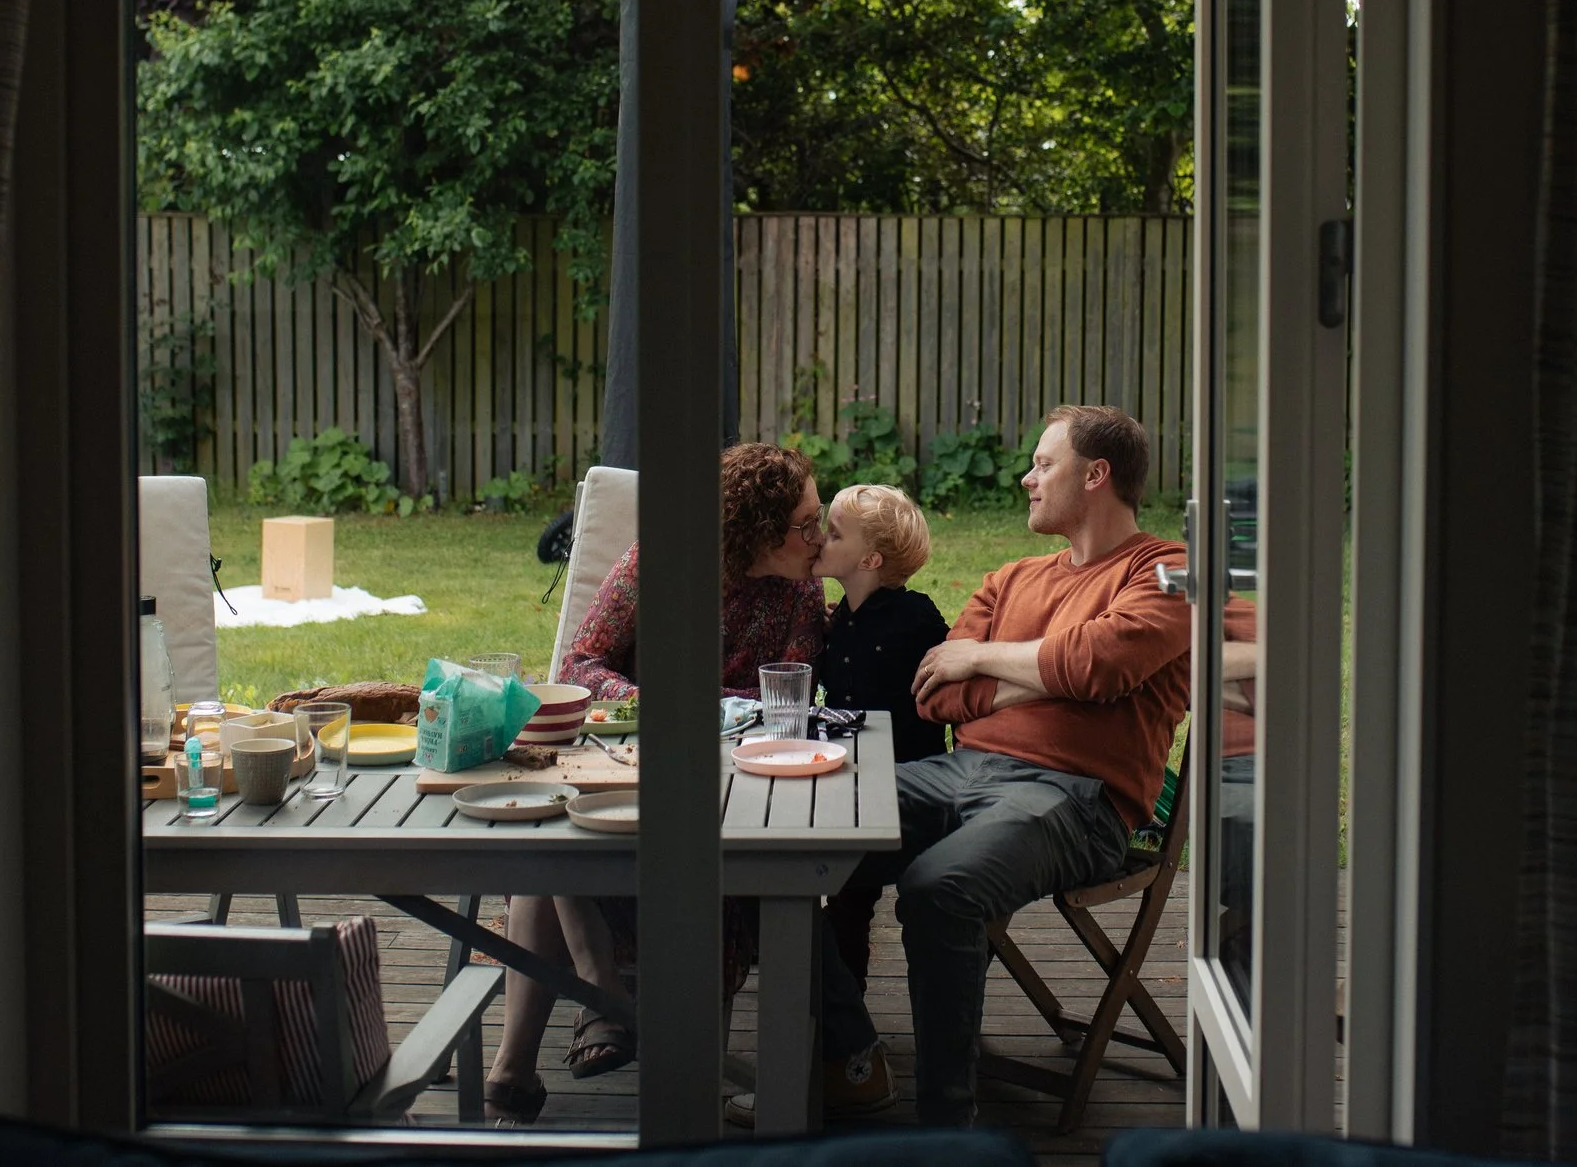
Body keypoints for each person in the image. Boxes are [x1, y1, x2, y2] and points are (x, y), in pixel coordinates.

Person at [484, 444, 896, 1123]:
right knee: (552, 831)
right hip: (625, 764)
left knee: (554, 846)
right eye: (804, 523)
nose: (817, 537)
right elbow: (581, 662)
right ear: (757, 529)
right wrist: (655, 706)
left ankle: (593, 1010)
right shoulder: (661, 561)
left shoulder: (799, 590)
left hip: (729, 786)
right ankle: (527, 1057)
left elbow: (782, 699)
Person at [833, 404, 1189, 1127]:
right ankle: (849, 1048)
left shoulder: (1172, 571)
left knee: (939, 889)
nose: (1027, 477)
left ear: (1096, 475)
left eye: (1043, 463)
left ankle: (946, 1127)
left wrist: (986, 657)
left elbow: (1101, 663)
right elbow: (939, 692)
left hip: (1080, 800)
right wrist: (1042, 674)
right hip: (964, 773)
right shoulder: (1010, 576)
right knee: (781, 837)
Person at [812, 482, 949, 985]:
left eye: (833, 534)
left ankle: (844, 1032)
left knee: (847, 895)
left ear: (868, 559)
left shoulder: (916, 618)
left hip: (907, 787)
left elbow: (950, 682)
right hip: (849, 775)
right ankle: (841, 1016)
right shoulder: (840, 619)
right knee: (842, 898)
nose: (819, 540)